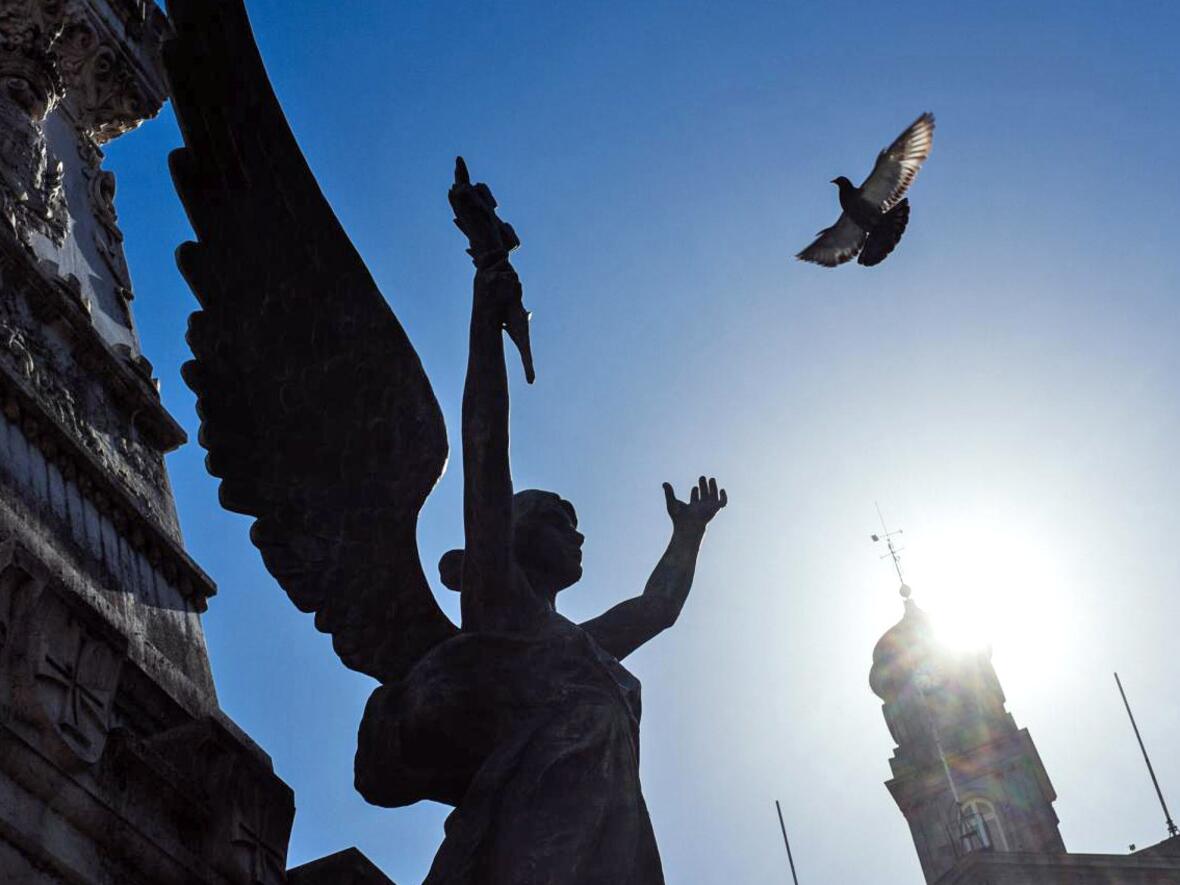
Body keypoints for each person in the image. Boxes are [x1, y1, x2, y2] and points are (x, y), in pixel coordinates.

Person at [355, 169, 727, 885]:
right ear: (516, 536)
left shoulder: (576, 644)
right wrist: (484, 317)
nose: (578, 536)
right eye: (560, 520)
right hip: (527, 852)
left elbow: (658, 607)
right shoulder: (500, 606)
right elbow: (484, 444)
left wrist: (688, 533)